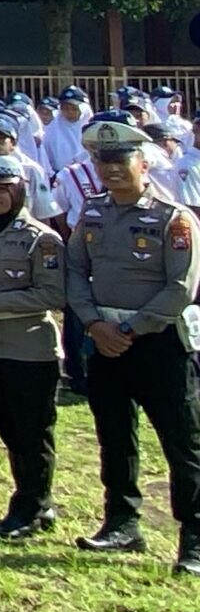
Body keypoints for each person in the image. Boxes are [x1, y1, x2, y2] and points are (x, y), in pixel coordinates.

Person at [65, 117, 200, 573]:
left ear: (144, 163)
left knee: (183, 442)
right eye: (104, 162)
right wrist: (94, 325)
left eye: (121, 161)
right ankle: (122, 524)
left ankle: (195, 539)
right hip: (103, 340)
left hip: (159, 343)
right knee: (115, 436)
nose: (111, 170)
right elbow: (74, 273)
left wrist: (132, 330)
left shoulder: (173, 218)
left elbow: (180, 287)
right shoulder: (93, 213)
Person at [0, 152, 67, 537]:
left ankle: (31, 507)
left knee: (32, 431)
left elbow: (52, 294)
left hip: (29, 349)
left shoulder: (43, 239)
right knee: (7, 428)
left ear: (20, 188)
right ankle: (37, 500)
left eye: (3, 188)